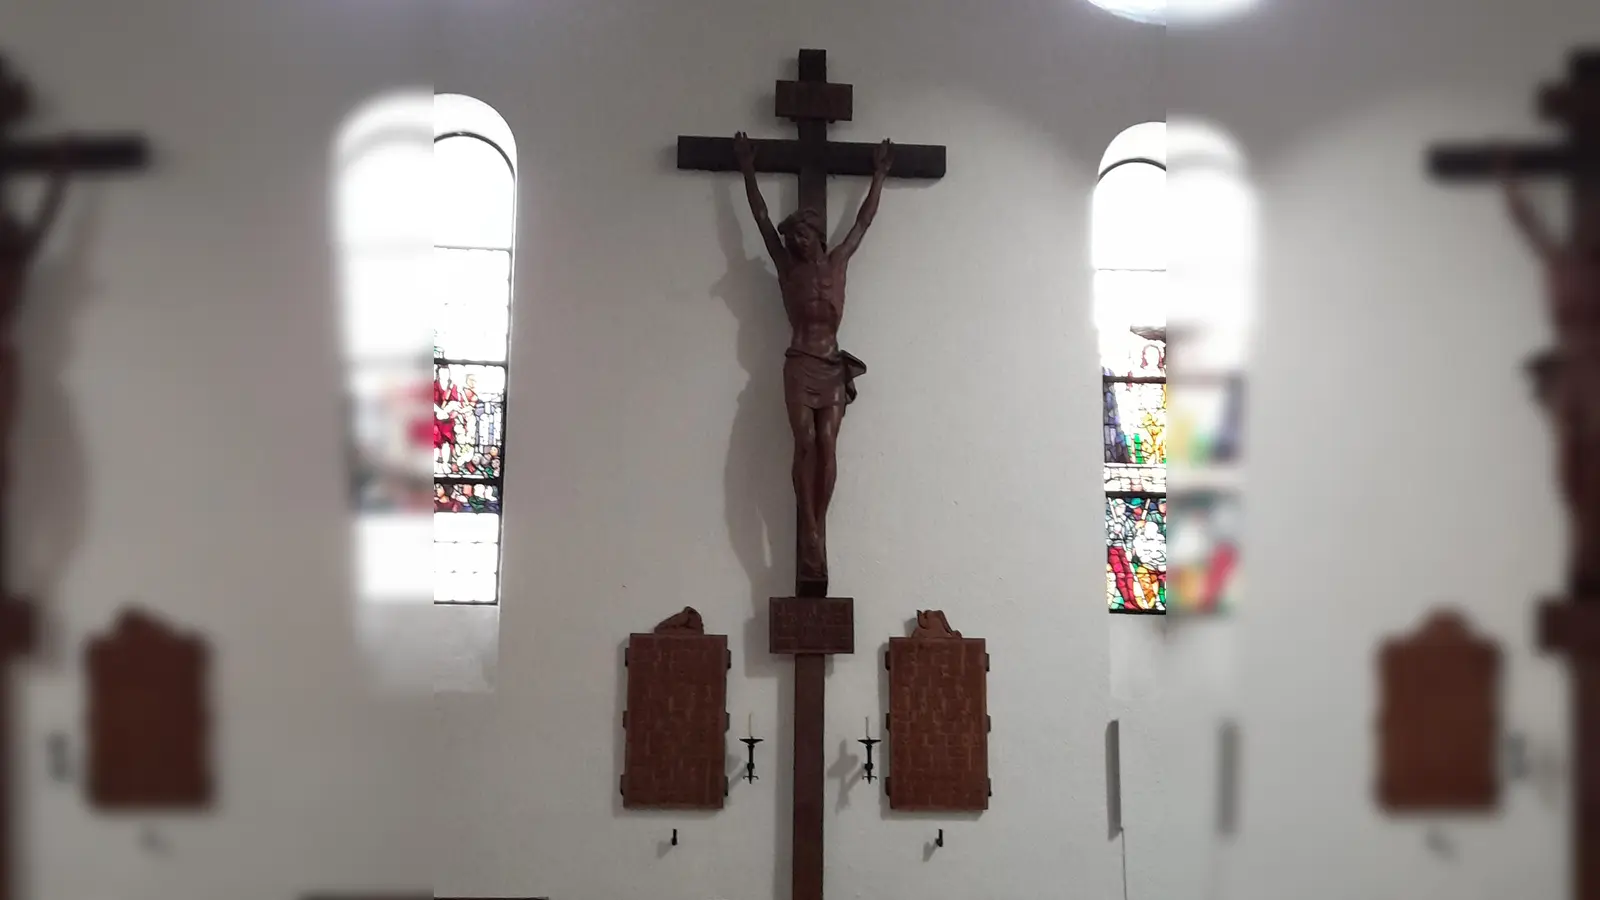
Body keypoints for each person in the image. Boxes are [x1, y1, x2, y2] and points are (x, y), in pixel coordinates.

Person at [734, 130, 893, 584]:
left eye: (801, 234)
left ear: (815, 235)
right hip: (800, 361)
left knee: (828, 445)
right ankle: (808, 531)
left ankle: (816, 527)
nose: (796, 242)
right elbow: (762, 219)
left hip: (831, 365)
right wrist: (747, 168)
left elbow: (863, 222)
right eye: (793, 238)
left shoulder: (838, 262)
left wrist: (878, 175)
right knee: (804, 442)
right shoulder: (787, 271)